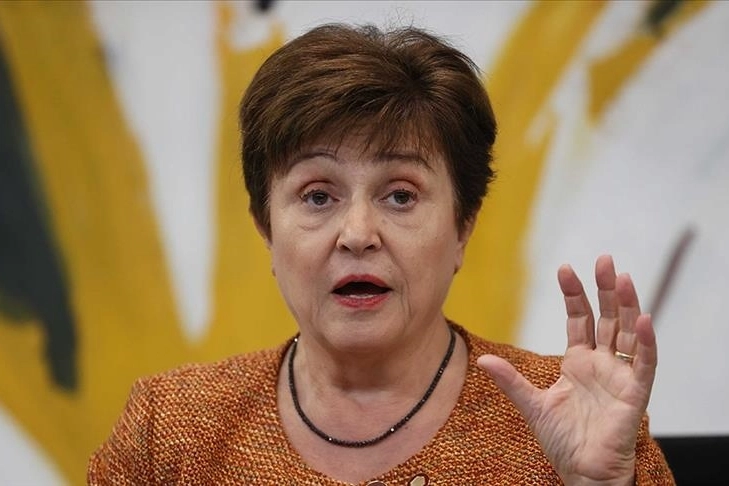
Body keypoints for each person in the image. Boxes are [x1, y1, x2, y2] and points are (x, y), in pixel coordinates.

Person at [88, 24, 674, 485]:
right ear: (266, 228)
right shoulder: (169, 431)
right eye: (318, 196)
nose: (357, 233)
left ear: (463, 226)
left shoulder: (566, 413)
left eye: (400, 195)